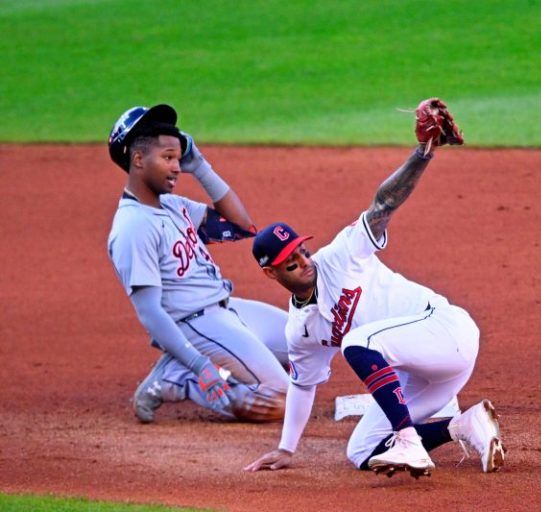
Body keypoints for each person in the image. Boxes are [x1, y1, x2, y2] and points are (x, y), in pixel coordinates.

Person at [243, 99, 505, 478]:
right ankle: (465, 425)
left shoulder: (342, 255)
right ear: (272, 273)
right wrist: (286, 448)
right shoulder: (299, 330)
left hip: (448, 332)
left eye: (302, 250)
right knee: (362, 450)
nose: (304, 261)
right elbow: (303, 386)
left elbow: (382, 205)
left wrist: (423, 153)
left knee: (356, 343)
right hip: (431, 378)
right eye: (291, 262)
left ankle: (409, 443)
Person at [106, 104, 289, 423]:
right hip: (194, 323)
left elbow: (241, 225)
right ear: (138, 160)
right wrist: (201, 367)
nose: (177, 167)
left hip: (229, 310)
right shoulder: (133, 227)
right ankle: (178, 379)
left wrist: (201, 167)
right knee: (282, 399)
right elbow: (150, 313)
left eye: (178, 158)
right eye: (167, 158)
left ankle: (177, 365)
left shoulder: (174, 206)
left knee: (308, 340)